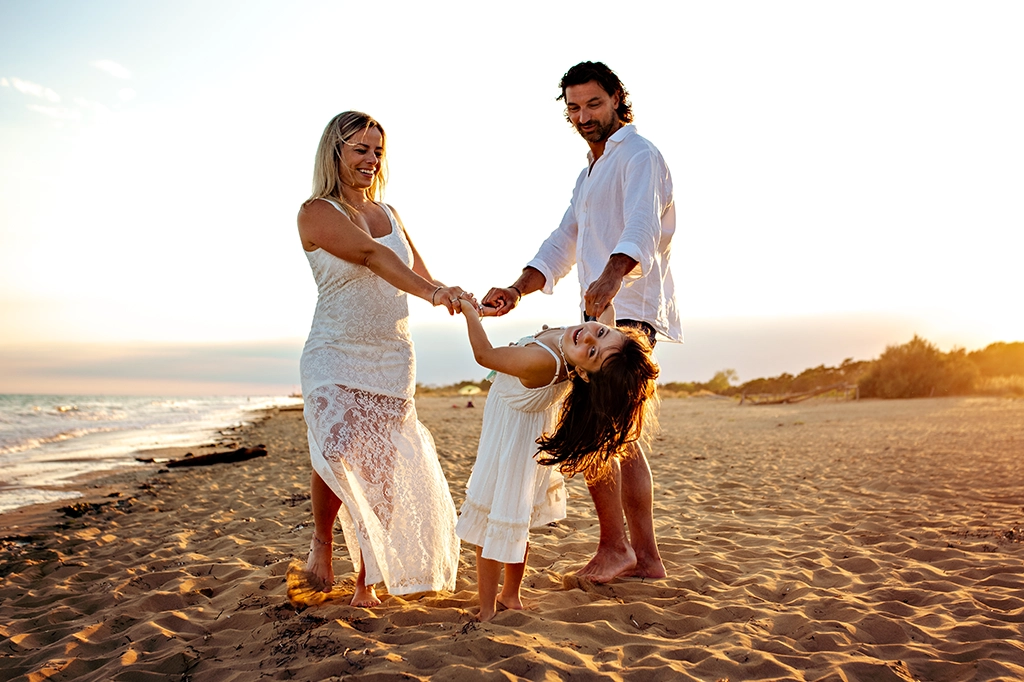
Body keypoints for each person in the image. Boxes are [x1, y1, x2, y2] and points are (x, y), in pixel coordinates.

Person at [482, 61, 681, 583]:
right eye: (573, 107)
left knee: (614, 433)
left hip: (628, 312)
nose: (583, 115)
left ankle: (623, 550)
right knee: (613, 433)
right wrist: (518, 288)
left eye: (593, 103)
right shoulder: (589, 172)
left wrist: (614, 275)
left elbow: (642, 224)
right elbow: (563, 241)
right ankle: (642, 557)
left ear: (617, 98)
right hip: (598, 311)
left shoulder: (640, 155)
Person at [298, 111, 469, 607]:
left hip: (391, 355)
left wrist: (453, 295)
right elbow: (374, 257)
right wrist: (433, 293)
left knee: (382, 466)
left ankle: (366, 580)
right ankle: (323, 544)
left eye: (377, 151)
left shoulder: (390, 212)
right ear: (335, 153)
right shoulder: (316, 212)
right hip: (334, 351)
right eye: (360, 150)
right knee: (336, 450)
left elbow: (418, 272)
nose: (371, 159)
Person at [454, 299, 659, 620]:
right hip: (523, 444)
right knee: (514, 518)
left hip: (508, 445)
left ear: (585, 375)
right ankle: (510, 595)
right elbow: (605, 314)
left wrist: (470, 311)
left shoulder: (543, 360)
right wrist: (608, 293)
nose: (590, 337)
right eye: (600, 333)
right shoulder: (580, 343)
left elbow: (485, 356)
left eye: (592, 352)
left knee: (492, 524)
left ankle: (486, 610)